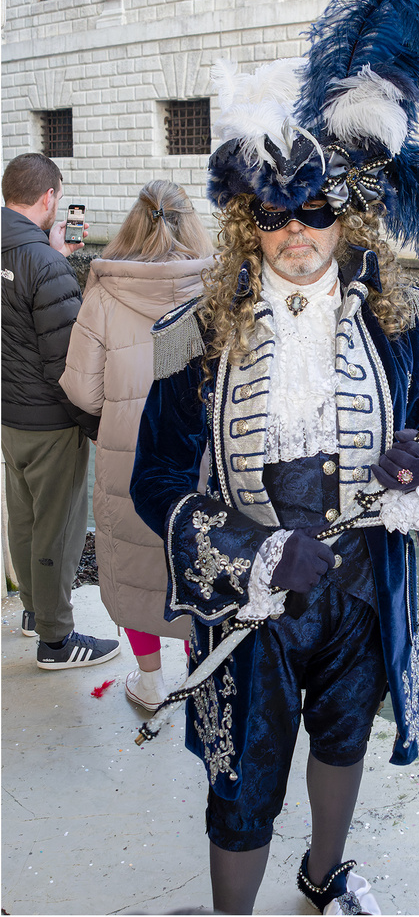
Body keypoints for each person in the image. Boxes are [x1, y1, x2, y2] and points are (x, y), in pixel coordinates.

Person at [130, 0, 419, 915]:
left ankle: (323, 877)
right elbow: (157, 479)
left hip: (362, 584)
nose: (297, 231)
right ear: (247, 225)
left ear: (344, 220)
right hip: (255, 599)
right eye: (275, 214)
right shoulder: (195, 338)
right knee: (244, 776)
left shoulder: (400, 324)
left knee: (344, 734)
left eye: (315, 212)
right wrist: (250, 551)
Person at [59, 181, 215, 710]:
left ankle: (150, 682)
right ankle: (206, 679)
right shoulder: (218, 288)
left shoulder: (104, 293)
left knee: (134, 567)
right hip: (202, 455)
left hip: (127, 455)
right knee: (200, 560)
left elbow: (83, 389)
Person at [1, 152, 119, 670]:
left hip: (8, 415)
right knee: (60, 528)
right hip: (49, 422)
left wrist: (53, 253)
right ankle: (56, 640)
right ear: (50, 198)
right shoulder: (44, 264)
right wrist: (95, 425)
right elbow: (67, 361)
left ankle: (34, 611)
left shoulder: (26, 252)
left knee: (24, 519)